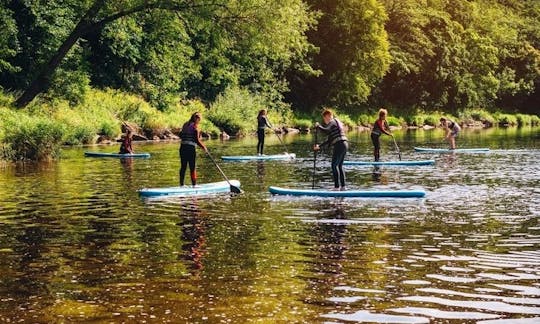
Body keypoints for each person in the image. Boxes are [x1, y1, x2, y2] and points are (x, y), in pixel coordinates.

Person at [313, 109, 348, 191]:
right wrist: (319, 146)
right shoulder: (336, 123)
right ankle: (343, 187)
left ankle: (336, 187)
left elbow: (326, 131)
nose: (325, 121)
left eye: (324, 119)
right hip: (344, 144)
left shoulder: (332, 121)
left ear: (328, 116)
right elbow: (329, 140)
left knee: (333, 166)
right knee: (339, 166)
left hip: (339, 145)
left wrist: (318, 127)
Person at [179, 112, 208, 187]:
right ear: (196, 119)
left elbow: (181, 135)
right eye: (199, 120)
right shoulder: (195, 127)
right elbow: (197, 140)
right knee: (192, 167)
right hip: (190, 149)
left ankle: (181, 185)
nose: (199, 121)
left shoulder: (185, 124)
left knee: (183, 167)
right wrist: (204, 147)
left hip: (182, 148)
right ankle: (194, 185)